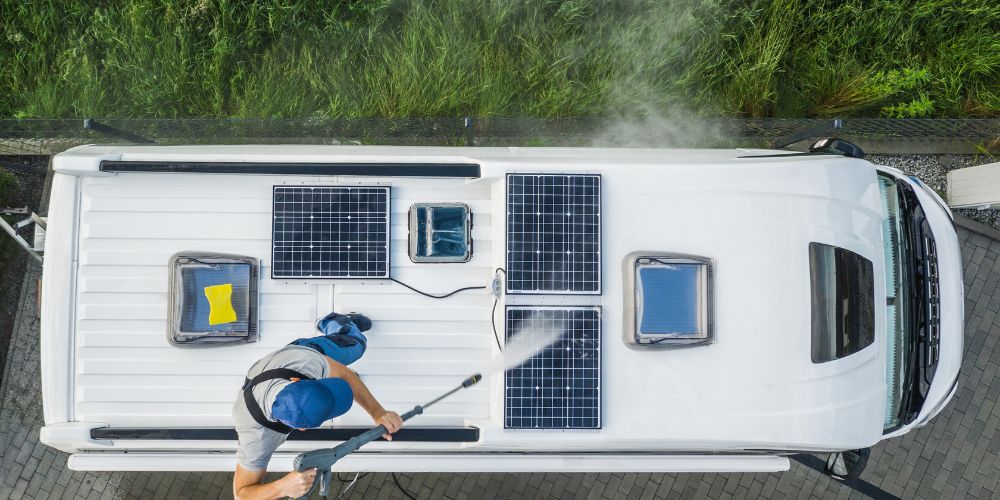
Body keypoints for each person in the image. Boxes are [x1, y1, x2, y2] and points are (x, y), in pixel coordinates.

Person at [231, 312, 403, 499]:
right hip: (291, 374)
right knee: (340, 376)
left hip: (302, 353)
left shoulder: (303, 362)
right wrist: (283, 487)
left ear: (296, 381)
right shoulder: (256, 437)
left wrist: (378, 413)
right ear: (302, 428)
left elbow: (346, 375)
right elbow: (241, 495)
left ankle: (334, 322)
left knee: (356, 344)